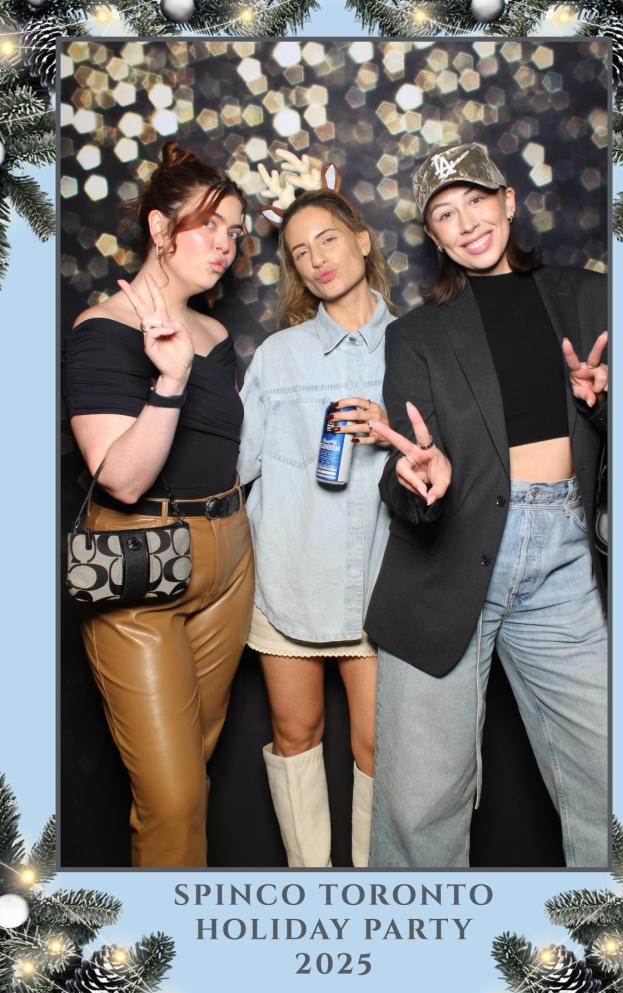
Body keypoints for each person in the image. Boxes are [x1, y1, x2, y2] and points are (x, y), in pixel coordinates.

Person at [365, 141, 608, 868]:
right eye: (445, 214)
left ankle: (619, 928)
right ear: (433, 237)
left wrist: (604, 405)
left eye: (476, 200)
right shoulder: (414, 335)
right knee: (421, 803)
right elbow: (403, 467)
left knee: (610, 778)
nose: (467, 221)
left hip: (567, 563)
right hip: (448, 561)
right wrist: (419, 479)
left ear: (507, 201)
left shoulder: (590, 297)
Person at [62, 141, 254, 867]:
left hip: (229, 559)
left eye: (235, 232)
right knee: (170, 799)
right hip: (141, 562)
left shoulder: (217, 334)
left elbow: (227, 445)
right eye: (210, 225)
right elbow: (120, 478)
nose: (226, 245)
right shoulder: (103, 329)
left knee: (193, 777)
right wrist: (168, 380)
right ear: (160, 227)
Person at [238, 183, 394, 867]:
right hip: (288, 573)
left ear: (361, 239)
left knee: (378, 746)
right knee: (295, 733)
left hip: (379, 582)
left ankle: (369, 892)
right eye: (300, 252)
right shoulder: (278, 355)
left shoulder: (416, 345)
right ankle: (310, 885)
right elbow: (238, 466)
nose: (317, 259)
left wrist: (394, 437)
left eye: (327, 239)